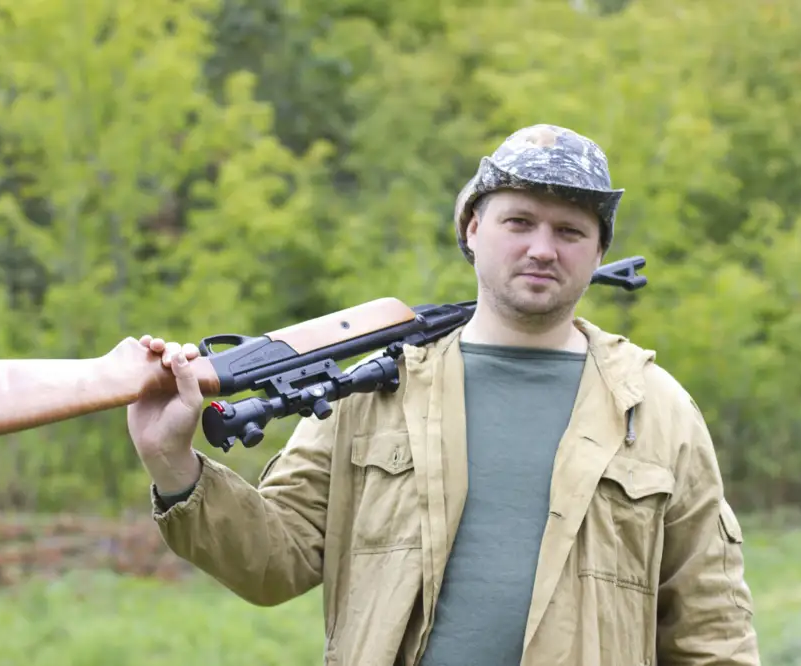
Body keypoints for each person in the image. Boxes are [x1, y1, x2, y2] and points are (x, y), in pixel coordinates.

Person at [128, 124, 761, 665]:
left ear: (598, 252)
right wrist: (173, 464)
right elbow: (275, 560)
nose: (542, 249)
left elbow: (711, 630)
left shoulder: (654, 409)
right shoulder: (375, 387)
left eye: (570, 231)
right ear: (473, 228)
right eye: (519, 222)